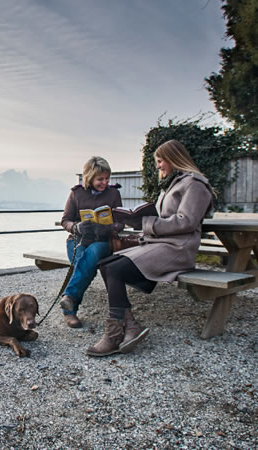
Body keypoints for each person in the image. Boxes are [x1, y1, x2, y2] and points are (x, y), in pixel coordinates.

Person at [87, 140, 213, 356]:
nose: (158, 166)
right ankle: (129, 325)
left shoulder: (195, 184)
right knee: (105, 264)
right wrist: (136, 225)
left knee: (116, 269)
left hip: (178, 249)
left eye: (160, 161)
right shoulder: (173, 184)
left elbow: (186, 222)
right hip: (160, 244)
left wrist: (145, 223)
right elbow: (163, 219)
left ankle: (114, 333)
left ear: (174, 158)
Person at [57, 156, 123, 328]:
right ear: (89, 177)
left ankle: (69, 304)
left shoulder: (114, 193)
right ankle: (70, 306)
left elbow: (121, 222)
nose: (105, 182)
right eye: (100, 179)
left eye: (107, 178)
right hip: (78, 240)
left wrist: (109, 228)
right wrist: (77, 227)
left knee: (91, 254)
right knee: (84, 260)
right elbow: (65, 221)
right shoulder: (76, 193)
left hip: (102, 241)